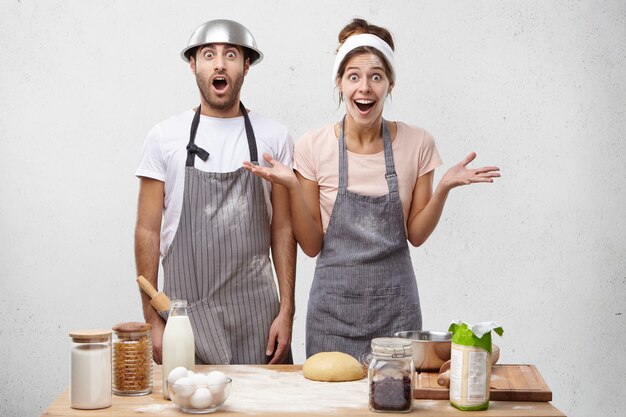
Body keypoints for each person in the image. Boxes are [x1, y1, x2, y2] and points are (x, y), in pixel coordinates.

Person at [244, 18, 500, 360]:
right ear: (339, 83)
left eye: (376, 76)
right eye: (354, 76)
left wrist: (444, 189)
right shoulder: (312, 146)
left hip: (397, 313)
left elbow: (416, 235)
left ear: (389, 84)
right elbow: (311, 244)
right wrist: (291, 186)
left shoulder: (418, 143)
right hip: (332, 316)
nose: (364, 87)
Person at [135, 19, 295, 365]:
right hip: (184, 321)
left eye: (231, 55)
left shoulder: (274, 136)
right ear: (193, 64)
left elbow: (283, 227)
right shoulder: (165, 137)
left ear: (246, 65)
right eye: (209, 55)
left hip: (259, 319)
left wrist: (287, 311)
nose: (219, 63)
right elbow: (147, 230)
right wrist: (152, 319)